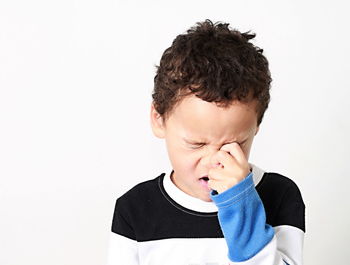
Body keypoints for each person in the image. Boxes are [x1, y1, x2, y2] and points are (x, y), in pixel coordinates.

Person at [106, 19, 305, 265]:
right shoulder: (134, 209)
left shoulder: (280, 195)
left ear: (257, 126)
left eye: (234, 145)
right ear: (159, 119)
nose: (214, 161)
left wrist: (241, 205)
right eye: (197, 144)